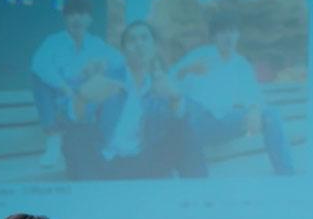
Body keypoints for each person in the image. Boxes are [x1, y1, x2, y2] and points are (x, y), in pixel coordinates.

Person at [171, 12, 294, 176]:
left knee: (271, 114)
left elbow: (254, 96)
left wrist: (255, 110)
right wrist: (186, 70)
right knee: (189, 114)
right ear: (214, 37)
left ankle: (286, 174)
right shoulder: (199, 56)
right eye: (223, 32)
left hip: (226, 122)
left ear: (237, 35)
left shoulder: (241, 64)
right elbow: (168, 81)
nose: (228, 37)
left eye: (232, 32)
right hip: (198, 123)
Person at [63, 20, 187, 180]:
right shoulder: (108, 77)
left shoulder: (163, 82)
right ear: (123, 51)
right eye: (132, 40)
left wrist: (175, 97)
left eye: (144, 38)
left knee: (185, 128)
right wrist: (82, 97)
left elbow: (179, 120)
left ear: (155, 46)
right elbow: (73, 117)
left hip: (145, 162)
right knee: (75, 136)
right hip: (107, 160)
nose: (139, 44)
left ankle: (198, 189)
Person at [30, 0, 124, 168]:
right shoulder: (53, 42)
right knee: (39, 77)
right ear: (65, 18)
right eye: (71, 14)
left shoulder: (96, 44)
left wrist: (102, 65)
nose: (76, 19)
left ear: (90, 19)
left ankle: (107, 141)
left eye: (81, 14)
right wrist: (64, 86)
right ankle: (53, 139)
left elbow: (120, 62)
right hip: (60, 103)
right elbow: (39, 65)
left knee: (114, 83)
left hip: (86, 103)